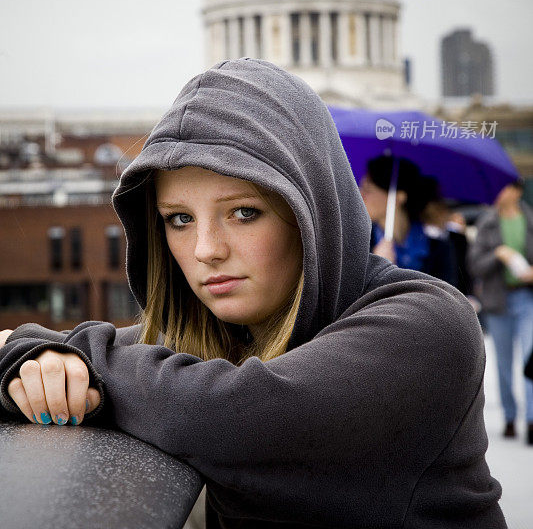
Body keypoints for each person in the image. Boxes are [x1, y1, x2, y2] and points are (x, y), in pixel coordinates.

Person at [0, 58, 506, 528]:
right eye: (179, 219)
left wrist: (83, 357)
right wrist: (32, 357)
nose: (205, 250)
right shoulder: (213, 341)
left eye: (244, 212)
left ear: (311, 210)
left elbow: (235, 412)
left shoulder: (429, 326)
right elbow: (92, 353)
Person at [467, 178, 533, 445]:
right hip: (498, 298)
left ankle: (531, 420)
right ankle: (509, 416)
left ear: (517, 191)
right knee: (504, 363)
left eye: (504, 187)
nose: (499, 192)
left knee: (530, 360)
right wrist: (498, 255)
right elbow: (475, 264)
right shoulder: (487, 222)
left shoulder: (529, 219)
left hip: (527, 298)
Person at [360, 156, 459, 288]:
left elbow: (447, 299)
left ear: (398, 197)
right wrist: (376, 271)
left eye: (368, 189)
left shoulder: (438, 249)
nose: (360, 195)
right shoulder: (359, 243)